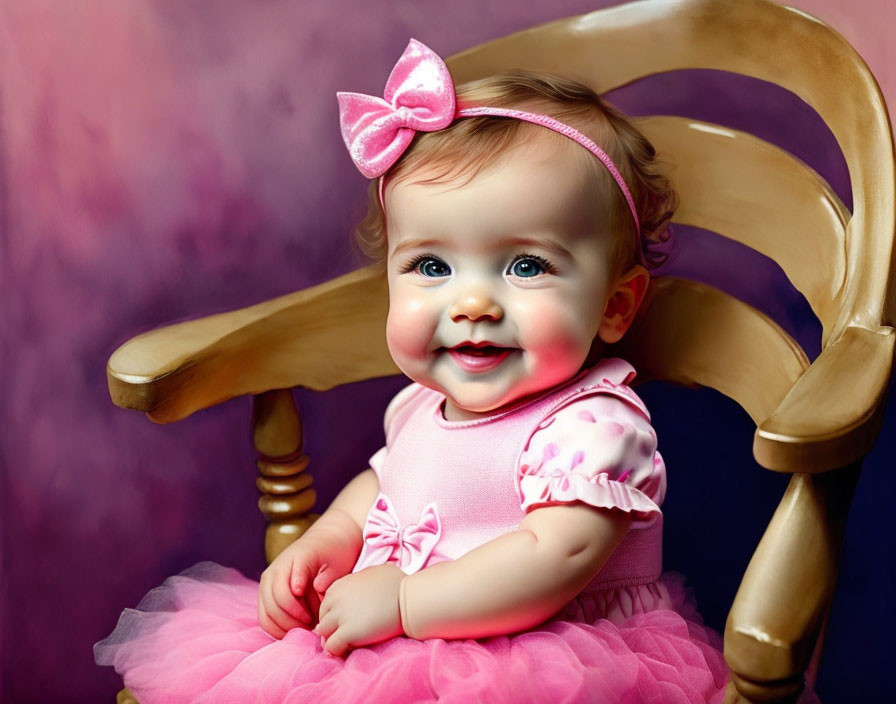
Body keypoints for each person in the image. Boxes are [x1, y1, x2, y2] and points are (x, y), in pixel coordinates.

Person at [96, 39, 744, 703]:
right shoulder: (418, 405)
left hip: (543, 669)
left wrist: (406, 602)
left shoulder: (592, 426)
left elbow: (556, 557)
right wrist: (332, 538)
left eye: (526, 266)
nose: (471, 304)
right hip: (395, 640)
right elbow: (387, 481)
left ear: (614, 306)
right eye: (431, 267)